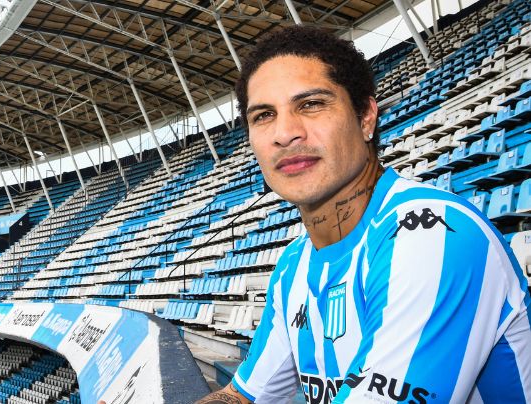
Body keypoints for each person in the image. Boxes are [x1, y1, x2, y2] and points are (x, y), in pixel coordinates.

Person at [194, 25, 531, 404]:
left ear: (366, 117)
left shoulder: (433, 232)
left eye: (311, 104)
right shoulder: (293, 265)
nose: (285, 133)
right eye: (263, 115)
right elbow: (242, 398)